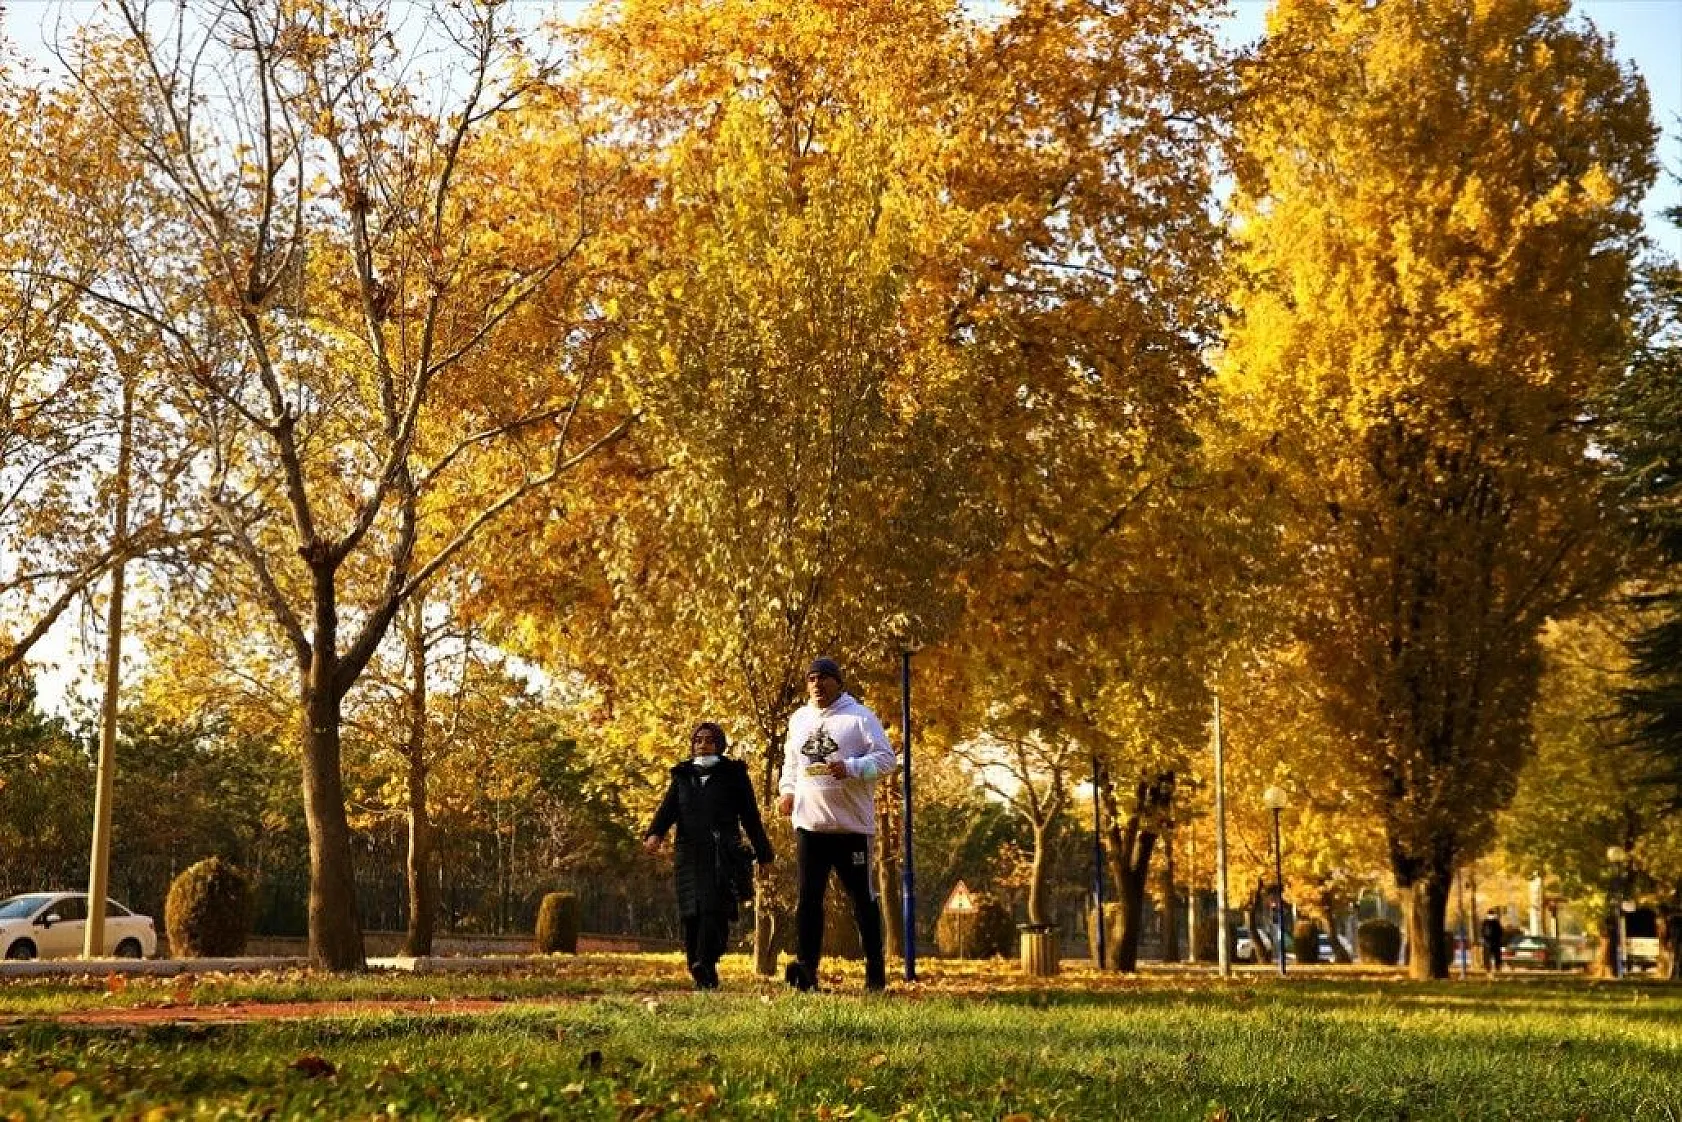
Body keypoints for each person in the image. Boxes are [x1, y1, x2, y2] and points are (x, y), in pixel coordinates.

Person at [777, 657, 898, 992]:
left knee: (862, 900)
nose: (817, 684)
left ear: (838, 682)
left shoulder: (859, 718)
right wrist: (787, 792)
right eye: (811, 679)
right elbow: (791, 764)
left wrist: (854, 768)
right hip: (809, 828)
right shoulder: (799, 719)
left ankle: (875, 975)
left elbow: (887, 761)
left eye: (824, 678)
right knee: (808, 900)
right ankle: (807, 974)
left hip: (851, 830)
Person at [643, 722, 774, 990]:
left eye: (709, 740)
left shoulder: (734, 774)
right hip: (688, 854)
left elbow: (750, 816)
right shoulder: (682, 775)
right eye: (698, 740)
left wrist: (764, 854)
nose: (703, 745)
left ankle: (705, 960)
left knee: (714, 910)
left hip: (722, 854)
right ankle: (698, 968)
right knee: (691, 912)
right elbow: (668, 810)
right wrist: (655, 833)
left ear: (720, 745)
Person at [1480, 908, 1504, 974]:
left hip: (1489, 943)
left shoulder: (1486, 922)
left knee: (1490, 956)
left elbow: (1482, 932)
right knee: (1495, 956)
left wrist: (1484, 939)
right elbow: (1500, 932)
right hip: (1493, 942)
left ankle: (1491, 968)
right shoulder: (1495, 922)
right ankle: (1495, 967)